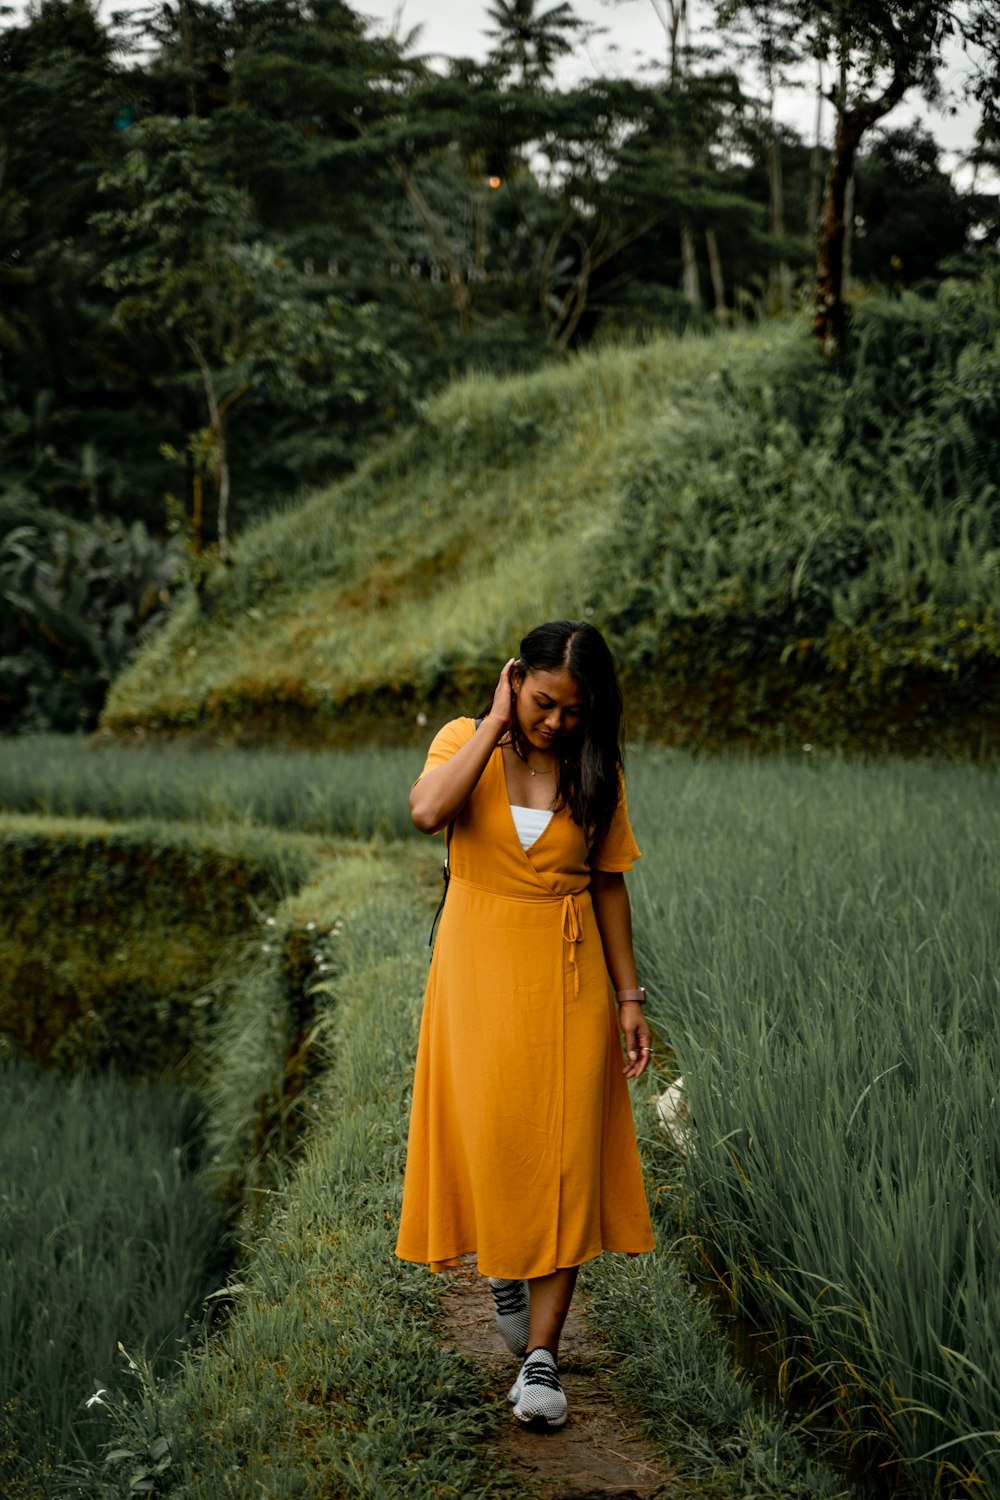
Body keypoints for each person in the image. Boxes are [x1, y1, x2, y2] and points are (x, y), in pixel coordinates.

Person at [395, 619, 655, 1429]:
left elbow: (608, 884)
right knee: (497, 1131)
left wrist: (630, 997)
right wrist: (496, 722)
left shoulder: (596, 766)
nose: (556, 724)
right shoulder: (463, 741)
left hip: (569, 972)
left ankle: (543, 1358)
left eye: (573, 711)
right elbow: (427, 812)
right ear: (517, 681)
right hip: (477, 969)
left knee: (568, 1150)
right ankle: (503, 1263)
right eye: (544, 703)